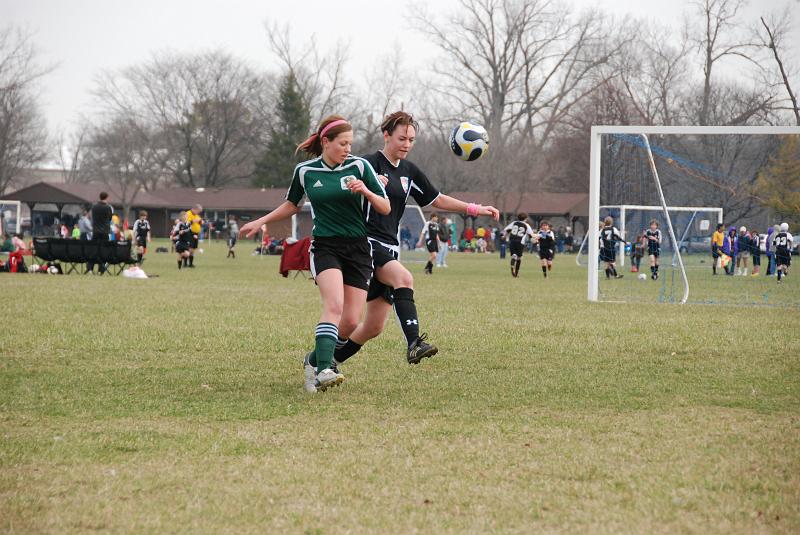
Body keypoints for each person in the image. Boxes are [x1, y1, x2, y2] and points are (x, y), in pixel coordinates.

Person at [331, 111, 499, 373]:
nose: (407, 144)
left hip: (390, 248)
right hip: (365, 244)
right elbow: (341, 188)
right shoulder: (366, 164)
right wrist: (365, 184)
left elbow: (436, 200)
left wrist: (475, 209)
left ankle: (327, 360)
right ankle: (414, 344)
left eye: (411, 139)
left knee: (372, 327)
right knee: (404, 279)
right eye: (402, 138)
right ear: (386, 135)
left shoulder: (409, 171)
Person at [239, 115, 390, 393]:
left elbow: (385, 207)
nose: (348, 148)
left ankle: (312, 361)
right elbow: (291, 205)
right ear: (326, 142)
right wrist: (261, 221)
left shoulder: (360, 166)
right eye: (342, 143)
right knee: (333, 306)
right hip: (325, 247)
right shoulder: (306, 171)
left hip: (357, 248)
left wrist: (366, 190)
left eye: (350, 143)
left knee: (351, 321)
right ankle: (323, 371)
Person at [86, 191, 113, 274]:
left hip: (95, 231)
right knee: (103, 250)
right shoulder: (108, 207)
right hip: (105, 231)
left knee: (94, 249)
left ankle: (90, 268)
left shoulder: (94, 207)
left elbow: (92, 217)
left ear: (100, 197)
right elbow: (109, 219)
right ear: (107, 198)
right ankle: (101, 269)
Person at [503, 213, 535, 278]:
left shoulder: (514, 223)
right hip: (520, 242)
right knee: (519, 258)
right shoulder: (526, 225)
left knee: (514, 255)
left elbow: (507, 230)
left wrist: (504, 236)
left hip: (512, 241)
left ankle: (512, 266)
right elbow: (531, 235)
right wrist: (535, 240)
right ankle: (516, 273)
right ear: (526, 219)